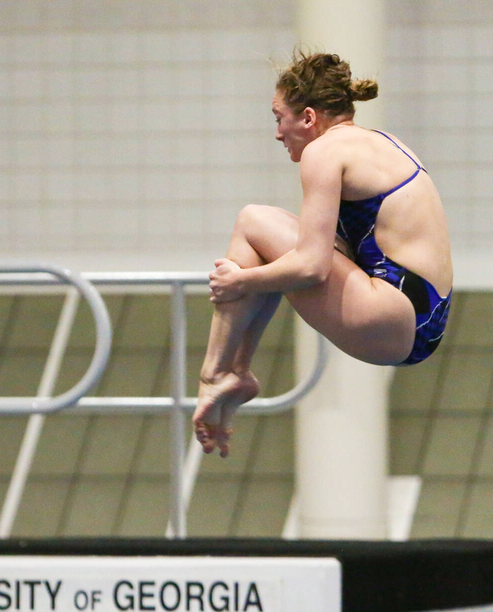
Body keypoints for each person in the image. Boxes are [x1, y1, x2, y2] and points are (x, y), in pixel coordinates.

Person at [193, 50, 452, 457]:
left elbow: (311, 267)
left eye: (279, 118)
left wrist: (239, 281)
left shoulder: (325, 151)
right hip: (423, 317)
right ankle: (233, 370)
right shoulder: (384, 143)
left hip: (392, 310)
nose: (278, 133)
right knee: (266, 239)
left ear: (309, 117)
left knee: (251, 222)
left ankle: (217, 373)